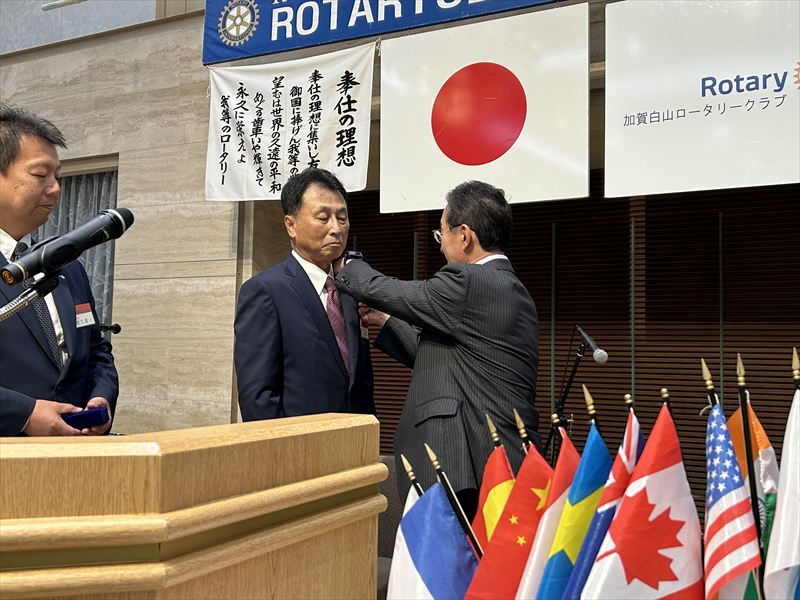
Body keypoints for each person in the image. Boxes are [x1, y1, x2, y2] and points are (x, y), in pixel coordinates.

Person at [336, 180, 540, 518]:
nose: (441, 245)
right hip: (504, 460)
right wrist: (386, 321)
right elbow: (449, 359)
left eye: (440, 234)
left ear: (464, 236)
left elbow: (386, 290)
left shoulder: (469, 281)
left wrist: (348, 265)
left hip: (473, 464)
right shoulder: (512, 289)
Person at [0, 105, 119, 436]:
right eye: (41, 175)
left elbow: (96, 350)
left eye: (58, 176)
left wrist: (101, 397)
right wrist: (25, 414)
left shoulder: (67, 267)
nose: (55, 188)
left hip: (73, 451)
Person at [234, 167, 374, 420]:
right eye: (323, 218)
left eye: (342, 218)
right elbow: (258, 397)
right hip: (300, 440)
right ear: (291, 225)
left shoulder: (349, 289)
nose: (336, 228)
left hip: (355, 436)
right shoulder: (265, 291)